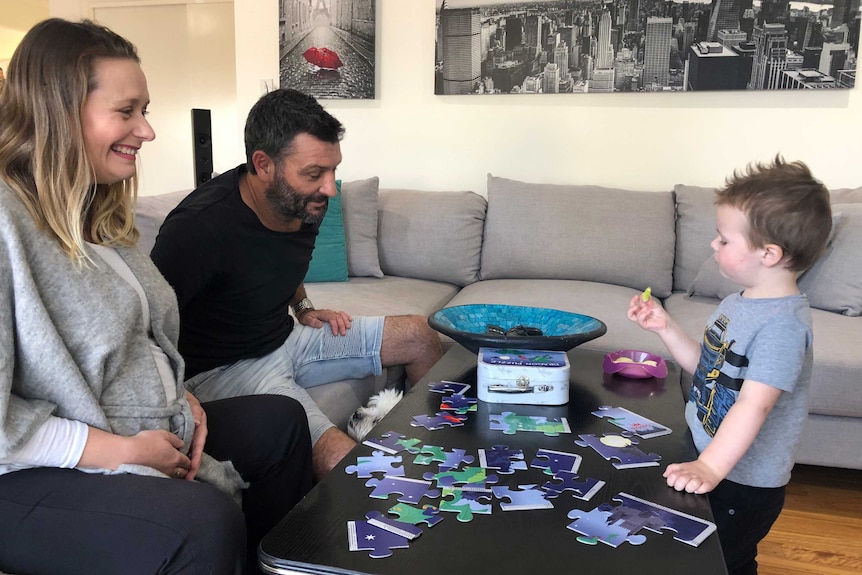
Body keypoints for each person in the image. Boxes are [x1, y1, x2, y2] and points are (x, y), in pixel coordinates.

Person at [0, 19, 312, 575]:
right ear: (56, 111)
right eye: (127, 111)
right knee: (199, 524)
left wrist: (178, 396)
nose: (147, 131)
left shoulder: (98, 216)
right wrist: (118, 451)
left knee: (283, 423)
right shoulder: (6, 221)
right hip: (26, 469)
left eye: (145, 110)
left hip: (136, 422)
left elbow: (144, 336)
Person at [151, 88, 444, 480]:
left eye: (333, 170)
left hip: (287, 337)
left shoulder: (305, 205)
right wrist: (173, 395)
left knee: (420, 335)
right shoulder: (196, 230)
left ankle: (439, 455)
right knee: (344, 463)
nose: (329, 187)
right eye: (314, 174)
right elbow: (144, 327)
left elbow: (280, 263)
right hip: (222, 370)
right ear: (263, 164)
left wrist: (303, 307)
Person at [627, 156, 832, 575]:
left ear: (769, 253)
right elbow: (707, 369)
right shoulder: (737, 303)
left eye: (723, 239)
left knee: (725, 562)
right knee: (690, 551)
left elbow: (754, 405)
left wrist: (710, 467)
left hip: (742, 483)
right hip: (709, 455)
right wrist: (665, 327)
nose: (713, 245)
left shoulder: (783, 327)